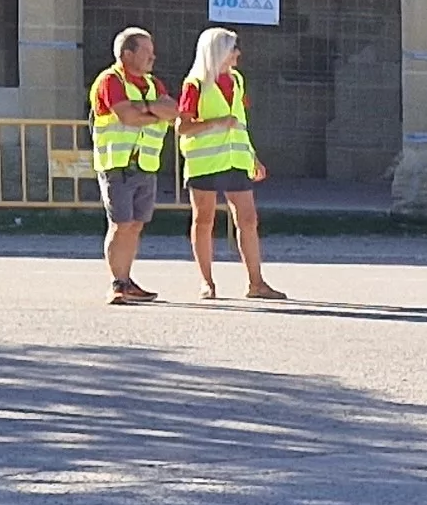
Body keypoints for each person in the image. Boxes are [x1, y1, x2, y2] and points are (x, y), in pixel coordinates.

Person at [173, 26, 284, 301]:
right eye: (233, 48)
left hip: (236, 159)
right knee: (203, 220)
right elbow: (182, 126)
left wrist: (253, 156)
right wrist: (215, 123)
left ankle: (256, 283)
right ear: (218, 52)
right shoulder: (195, 83)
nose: (237, 53)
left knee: (248, 219)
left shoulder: (237, 80)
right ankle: (206, 282)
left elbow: (241, 123)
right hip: (205, 162)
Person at [90, 27, 169, 306]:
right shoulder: (110, 81)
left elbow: (172, 112)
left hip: (145, 164)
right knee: (120, 224)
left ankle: (127, 279)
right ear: (127, 54)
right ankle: (117, 283)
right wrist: (152, 111)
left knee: (135, 225)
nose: (153, 56)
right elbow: (127, 117)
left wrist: (143, 108)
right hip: (118, 165)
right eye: (146, 51)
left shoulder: (153, 84)